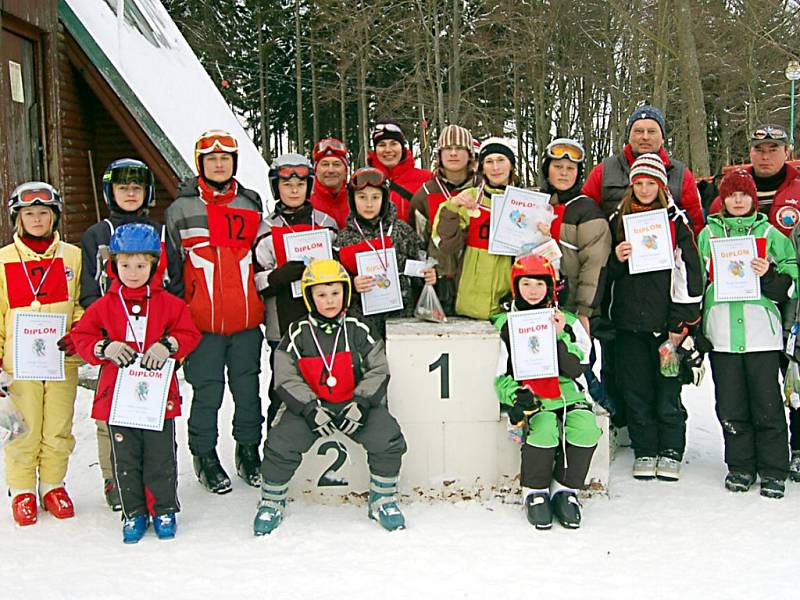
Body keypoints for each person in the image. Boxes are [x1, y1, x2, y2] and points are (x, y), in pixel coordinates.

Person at [253, 259, 407, 535]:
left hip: (353, 405)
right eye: (321, 295)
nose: (329, 301)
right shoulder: (297, 332)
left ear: (345, 293)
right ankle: (271, 501)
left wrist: (361, 403)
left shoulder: (358, 328)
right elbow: (285, 376)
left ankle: (382, 498)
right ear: (310, 297)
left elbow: (379, 369)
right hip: (311, 408)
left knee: (389, 437)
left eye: (335, 293)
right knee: (280, 442)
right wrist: (310, 409)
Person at [71, 223, 201, 542]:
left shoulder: (170, 303)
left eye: (141, 265)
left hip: (157, 398)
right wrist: (105, 347)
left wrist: (168, 345)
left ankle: (164, 508)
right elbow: (81, 336)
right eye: (125, 264)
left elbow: (190, 334)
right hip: (119, 396)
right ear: (113, 264)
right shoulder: (105, 304)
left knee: (160, 454)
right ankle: (134, 512)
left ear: (154, 264)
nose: (132, 271)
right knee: (125, 456)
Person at [78, 158, 183, 512]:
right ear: (111, 192)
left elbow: (174, 286)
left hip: (153, 340)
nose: (130, 194)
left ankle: (157, 483)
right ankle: (115, 478)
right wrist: (106, 338)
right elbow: (90, 289)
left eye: (137, 188)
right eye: (123, 188)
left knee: (153, 412)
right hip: (116, 339)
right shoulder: (99, 233)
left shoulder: (160, 231)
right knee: (113, 413)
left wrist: (169, 340)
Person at [165, 130, 265, 494]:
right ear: (200, 164)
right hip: (201, 323)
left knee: (248, 389)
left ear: (234, 163)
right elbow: (173, 270)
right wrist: (178, 318)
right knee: (207, 393)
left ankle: (249, 450)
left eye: (225, 159)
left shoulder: (250, 205)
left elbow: (262, 259)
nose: (219, 165)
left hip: (245, 321)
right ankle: (205, 456)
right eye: (211, 160)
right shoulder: (181, 209)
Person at [698, 169, 795, 498]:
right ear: (722, 199)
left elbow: (792, 276)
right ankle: (740, 465)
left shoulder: (770, 233)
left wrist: (769, 275)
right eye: (731, 194)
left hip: (760, 334)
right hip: (722, 333)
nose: (737, 200)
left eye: (744, 194)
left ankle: (773, 468)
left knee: (766, 402)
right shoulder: (708, 234)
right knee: (731, 404)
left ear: (753, 198)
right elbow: (694, 279)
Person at [606, 153, 703, 480]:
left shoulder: (676, 221)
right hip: (630, 325)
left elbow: (690, 273)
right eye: (639, 183)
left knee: (668, 388)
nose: (645, 189)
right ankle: (645, 447)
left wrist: (680, 324)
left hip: (666, 329)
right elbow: (606, 273)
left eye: (651, 183)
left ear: (661, 185)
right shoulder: (618, 219)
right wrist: (617, 258)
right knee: (636, 389)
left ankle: (672, 448)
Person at [493, 254, 601, 530]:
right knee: (544, 429)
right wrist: (516, 395)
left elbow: (577, 366)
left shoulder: (566, 321)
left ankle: (566, 489)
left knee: (586, 427)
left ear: (550, 287)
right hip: (532, 394)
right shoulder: (507, 322)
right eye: (526, 284)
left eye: (539, 285)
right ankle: (535, 490)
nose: (532, 291)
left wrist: (558, 334)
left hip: (568, 393)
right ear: (516, 286)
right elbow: (500, 372)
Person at [0, 182, 83, 526]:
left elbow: (79, 305)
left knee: (58, 425)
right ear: (17, 219)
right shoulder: (4, 259)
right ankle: (22, 489)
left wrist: (78, 332)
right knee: (24, 425)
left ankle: (52, 484)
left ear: (54, 216)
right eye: (29, 213)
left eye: (43, 212)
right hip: (20, 363)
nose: (36, 219)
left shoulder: (72, 256)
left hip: (60, 359)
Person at [253, 153, 337, 427]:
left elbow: (341, 271)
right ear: (276, 187)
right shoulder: (264, 228)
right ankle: (276, 450)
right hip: (282, 324)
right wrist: (276, 277)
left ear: (309, 186)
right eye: (286, 185)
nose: (293, 190)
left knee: (324, 385)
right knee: (284, 387)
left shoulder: (325, 224)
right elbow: (253, 280)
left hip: (323, 321)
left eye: (300, 185)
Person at [337, 167, 435, 339]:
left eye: (375, 197)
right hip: (362, 324)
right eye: (362, 197)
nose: (369, 204)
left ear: (384, 198)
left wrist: (428, 275)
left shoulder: (402, 231)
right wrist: (352, 285)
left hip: (401, 319)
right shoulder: (344, 238)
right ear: (352, 200)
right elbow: (335, 281)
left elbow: (418, 266)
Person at [582, 105, 704, 235]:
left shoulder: (681, 175)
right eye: (638, 131)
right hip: (615, 250)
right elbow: (584, 214)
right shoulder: (604, 171)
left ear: (662, 138)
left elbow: (696, 225)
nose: (645, 137)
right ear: (629, 136)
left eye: (651, 131)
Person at [433, 137, 518, 320]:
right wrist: (453, 208)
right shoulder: (468, 198)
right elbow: (446, 245)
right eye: (489, 162)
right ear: (482, 168)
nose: (495, 168)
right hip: (468, 298)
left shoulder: (523, 203)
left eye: (501, 160)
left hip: (508, 303)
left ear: (511, 165)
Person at [538, 138, 611, 334]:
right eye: (558, 166)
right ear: (547, 170)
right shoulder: (535, 204)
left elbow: (594, 264)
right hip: (534, 304)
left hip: (571, 309)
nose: (564, 173)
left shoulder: (587, 210)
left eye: (571, 168)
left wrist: (584, 311)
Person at [409, 124, 478, 315]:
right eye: (447, 148)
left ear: (470, 153)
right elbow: (417, 244)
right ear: (439, 155)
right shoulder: (425, 194)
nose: (453, 153)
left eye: (459, 148)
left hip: (477, 283)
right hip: (440, 285)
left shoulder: (484, 189)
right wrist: (424, 275)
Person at [708, 125, 800, 236]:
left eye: (773, 150)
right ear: (750, 153)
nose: (765, 157)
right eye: (759, 150)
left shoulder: (798, 192)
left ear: (786, 153)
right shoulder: (728, 196)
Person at [367, 118, 432, 223]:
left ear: (402, 147)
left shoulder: (427, 180)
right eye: (382, 145)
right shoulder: (364, 181)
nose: (388, 150)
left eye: (393, 144)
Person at [309, 137, 350, 229]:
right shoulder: (305, 205)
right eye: (325, 164)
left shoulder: (358, 202)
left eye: (336, 164)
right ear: (316, 171)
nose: (331, 170)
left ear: (345, 171)